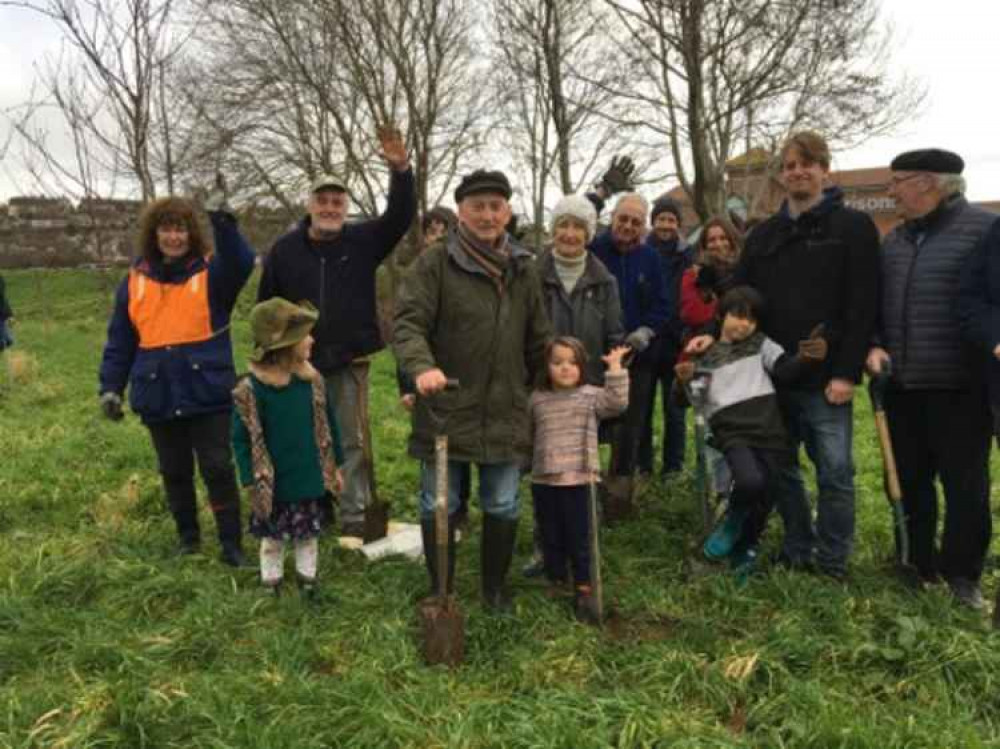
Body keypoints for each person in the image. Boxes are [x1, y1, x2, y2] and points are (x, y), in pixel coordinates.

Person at [689, 131, 880, 580]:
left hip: (827, 378)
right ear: (782, 174)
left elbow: (863, 305)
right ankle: (798, 545)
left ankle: (832, 560)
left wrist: (847, 371)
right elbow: (740, 295)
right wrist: (709, 334)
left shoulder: (852, 229)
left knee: (835, 471)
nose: (797, 171)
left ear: (824, 169)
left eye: (806, 164)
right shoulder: (765, 236)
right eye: (790, 165)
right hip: (771, 378)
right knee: (782, 469)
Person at [393, 168, 551, 613]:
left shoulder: (523, 268)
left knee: (502, 501)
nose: (487, 215)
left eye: (495, 206)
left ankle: (494, 590)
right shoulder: (434, 264)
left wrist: (552, 379)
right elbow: (407, 323)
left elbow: (538, 334)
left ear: (507, 212)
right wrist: (422, 369)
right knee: (440, 500)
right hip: (446, 404)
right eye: (477, 206)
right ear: (460, 212)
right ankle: (440, 587)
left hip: (504, 408)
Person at [258, 125, 416, 538]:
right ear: (309, 205)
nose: (329, 207)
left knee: (352, 440)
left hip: (349, 359)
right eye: (322, 201)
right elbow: (266, 307)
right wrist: (270, 356)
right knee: (301, 438)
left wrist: (400, 170)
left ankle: (353, 513)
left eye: (337, 201)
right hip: (297, 361)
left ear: (345, 207)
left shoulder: (363, 240)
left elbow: (400, 216)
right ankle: (309, 508)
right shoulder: (284, 250)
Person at [98, 183, 256, 566]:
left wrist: (222, 219)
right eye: (166, 229)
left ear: (191, 233)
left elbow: (242, 261)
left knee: (218, 468)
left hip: (208, 391)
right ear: (154, 234)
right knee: (174, 471)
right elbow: (120, 340)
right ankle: (188, 539)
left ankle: (231, 544)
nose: (173, 236)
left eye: (181, 228)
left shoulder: (213, 276)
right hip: (159, 393)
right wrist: (110, 387)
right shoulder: (133, 282)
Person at [869, 148, 997, 609]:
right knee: (907, 480)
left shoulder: (984, 232)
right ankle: (916, 563)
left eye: (897, 180)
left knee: (965, 487)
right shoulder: (895, 242)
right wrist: (875, 343)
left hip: (960, 387)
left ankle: (963, 575)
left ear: (927, 183)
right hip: (902, 385)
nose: (890, 190)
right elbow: (876, 306)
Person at [676, 287, 827, 579]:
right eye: (738, 316)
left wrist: (807, 358)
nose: (744, 324)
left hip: (769, 430)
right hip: (732, 431)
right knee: (749, 480)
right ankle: (733, 521)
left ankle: (745, 547)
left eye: (752, 320)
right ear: (722, 315)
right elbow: (691, 399)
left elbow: (785, 370)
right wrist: (682, 380)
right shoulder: (706, 354)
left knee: (768, 492)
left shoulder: (761, 344)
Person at [522, 193, 623, 577]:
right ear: (553, 230)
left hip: (585, 393)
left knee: (583, 471)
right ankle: (545, 548)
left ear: (588, 233)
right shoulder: (533, 275)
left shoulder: (604, 281)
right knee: (545, 469)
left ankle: (585, 548)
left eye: (577, 227)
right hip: (543, 390)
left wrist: (606, 374)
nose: (569, 234)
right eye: (562, 225)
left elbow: (615, 331)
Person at [232, 298, 345, 598]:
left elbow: (330, 426)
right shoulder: (252, 392)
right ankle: (272, 582)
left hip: (309, 481)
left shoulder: (313, 382)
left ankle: (308, 580)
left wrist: (338, 466)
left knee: (309, 536)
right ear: (286, 345)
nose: (312, 339)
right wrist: (248, 478)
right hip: (274, 486)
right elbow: (241, 439)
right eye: (305, 335)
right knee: (272, 539)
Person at [530, 337, 629, 623]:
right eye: (558, 362)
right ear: (546, 367)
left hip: (580, 479)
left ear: (582, 367)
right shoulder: (537, 399)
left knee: (580, 535)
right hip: (545, 480)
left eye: (572, 363)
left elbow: (618, 403)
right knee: (549, 533)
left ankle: (584, 584)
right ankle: (556, 577)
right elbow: (527, 433)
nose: (565, 368)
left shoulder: (591, 396)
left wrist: (614, 369)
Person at [589, 193, 668, 511]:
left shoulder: (651, 259)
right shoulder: (594, 250)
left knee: (630, 426)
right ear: (613, 218)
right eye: (623, 219)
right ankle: (585, 489)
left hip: (638, 358)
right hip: (596, 355)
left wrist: (645, 331)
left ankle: (619, 497)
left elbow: (663, 305)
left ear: (644, 226)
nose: (628, 226)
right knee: (591, 422)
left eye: (636, 222)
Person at [397, 206, 472, 530]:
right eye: (432, 230)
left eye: (444, 229)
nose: (437, 236)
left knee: (465, 448)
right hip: (426, 379)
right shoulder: (416, 271)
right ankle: (442, 514)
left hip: (464, 376)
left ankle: (460, 509)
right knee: (435, 451)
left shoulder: (464, 272)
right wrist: (407, 384)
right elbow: (409, 332)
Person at [679, 216, 744, 501]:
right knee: (712, 433)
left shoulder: (746, 272)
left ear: (733, 240)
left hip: (744, 364)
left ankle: (745, 497)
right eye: (711, 240)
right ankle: (719, 498)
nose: (718, 244)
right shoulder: (695, 276)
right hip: (707, 361)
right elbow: (693, 314)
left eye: (722, 238)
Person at [638, 196, 693, 477]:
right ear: (653, 222)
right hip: (647, 343)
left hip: (677, 344)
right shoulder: (641, 251)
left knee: (675, 411)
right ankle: (643, 465)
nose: (666, 225)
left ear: (678, 225)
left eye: (671, 220)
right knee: (643, 409)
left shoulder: (688, 255)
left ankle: (674, 467)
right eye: (661, 219)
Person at [0, 273, 13, 352]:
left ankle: (3, 344)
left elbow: (3, 298)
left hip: (2, 312)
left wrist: (9, 314)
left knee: (8, 340)